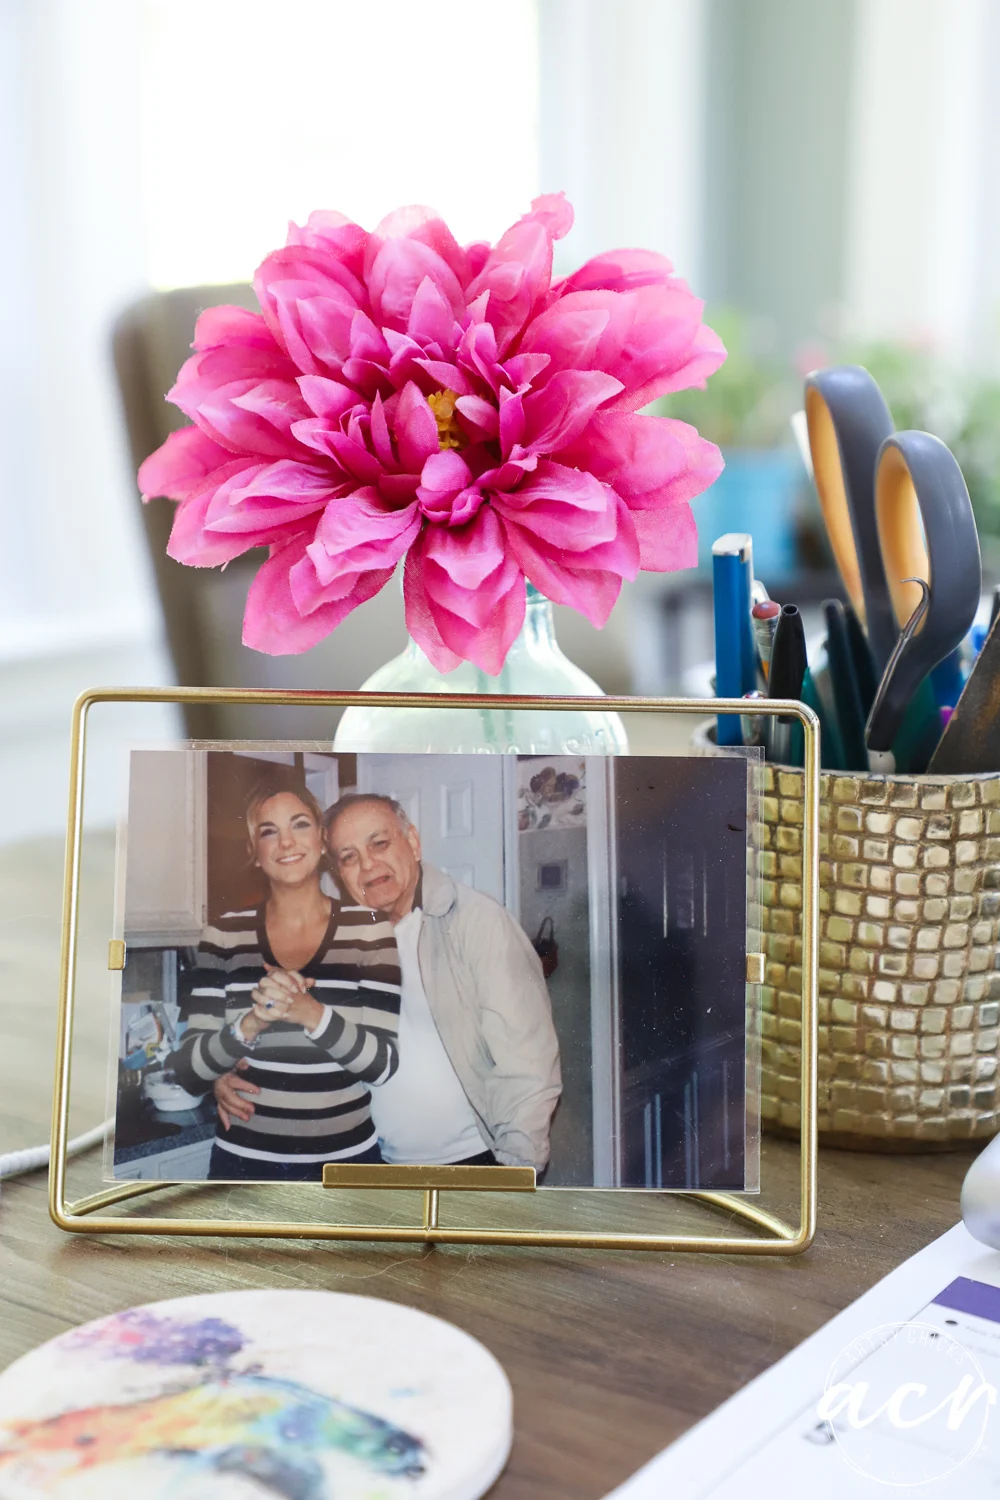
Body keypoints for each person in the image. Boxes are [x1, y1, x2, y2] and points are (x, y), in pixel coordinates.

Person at [168, 782, 401, 1181]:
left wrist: (309, 1013)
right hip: (242, 1165)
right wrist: (250, 1025)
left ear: (323, 840)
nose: (286, 842)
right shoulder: (223, 936)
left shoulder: (370, 929)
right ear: (253, 853)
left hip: (347, 1164)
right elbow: (189, 1071)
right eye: (268, 831)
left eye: (300, 824)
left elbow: (382, 1064)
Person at [321, 792, 561, 1172]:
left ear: (412, 842)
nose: (368, 865)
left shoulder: (477, 921)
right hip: (374, 1166)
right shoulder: (341, 946)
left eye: (379, 843)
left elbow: (529, 1063)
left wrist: (514, 1176)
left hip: (475, 1164)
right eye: (348, 856)